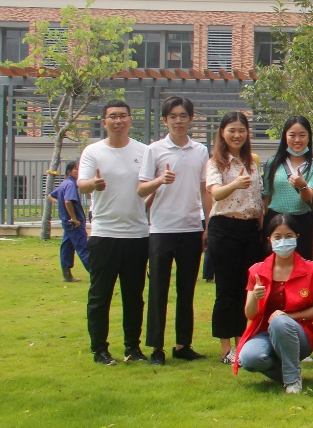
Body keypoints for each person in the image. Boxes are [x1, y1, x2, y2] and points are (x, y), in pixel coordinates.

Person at [138, 95, 211, 366]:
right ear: (165, 120)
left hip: (191, 227)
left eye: (183, 116)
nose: (178, 121)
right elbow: (141, 189)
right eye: (173, 117)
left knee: (186, 290)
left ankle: (183, 345)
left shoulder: (200, 150)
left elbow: (205, 190)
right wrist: (160, 180)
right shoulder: (154, 150)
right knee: (158, 290)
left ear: (191, 119)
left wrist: (207, 224)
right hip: (161, 229)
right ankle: (156, 347)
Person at [78, 100, 150, 365]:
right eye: (113, 117)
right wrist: (93, 184)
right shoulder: (93, 151)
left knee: (134, 297)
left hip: (137, 235)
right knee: (100, 296)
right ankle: (99, 349)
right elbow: (82, 184)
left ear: (130, 120)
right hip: (104, 234)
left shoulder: (144, 151)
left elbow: (150, 186)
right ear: (104, 122)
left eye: (123, 116)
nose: (118, 121)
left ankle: (133, 348)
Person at [234, 214, 313, 394]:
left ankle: (292, 380)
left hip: (299, 333)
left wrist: (289, 317)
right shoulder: (257, 271)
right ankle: (288, 371)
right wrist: (255, 297)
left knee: (279, 322)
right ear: (269, 239)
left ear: (297, 237)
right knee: (249, 359)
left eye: (288, 236)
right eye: (278, 237)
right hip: (265, 333)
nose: (283, 241)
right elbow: (250, 314)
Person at [204, 111, 264, 365]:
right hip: (225, 228)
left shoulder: (252, 161)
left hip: (249, 229)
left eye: (241, 130)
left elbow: (257, 197)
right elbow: (216, 193)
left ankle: (243, 342)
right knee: (226, 289)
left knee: (245, 289)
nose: (237, 135)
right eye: (232, 130)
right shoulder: (216, 163)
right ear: (222, 133)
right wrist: (235, 184)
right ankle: (225, 348)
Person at [262, 116, 313, 261]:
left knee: (302, 263)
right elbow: (267, 196)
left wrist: (302, 185)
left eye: (302, 135)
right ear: (285, 137)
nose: (297, 140)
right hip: (275, 220)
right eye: (292, 135)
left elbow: (308, 196)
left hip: (302, 222)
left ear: (309, 137)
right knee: (273, 263)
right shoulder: (273, 163)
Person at [50, 160, 90, 282]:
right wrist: (74, 218)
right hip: (74, 223)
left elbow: (51, 196)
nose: (79, 171)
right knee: (83, 247)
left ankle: (67, 275)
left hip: (66, 223)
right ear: (69, 171)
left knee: (67, 247)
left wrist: (61, 204)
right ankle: (96, 273)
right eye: (76, 169)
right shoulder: (71, 185)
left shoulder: (64, 184)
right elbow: (68, 201)